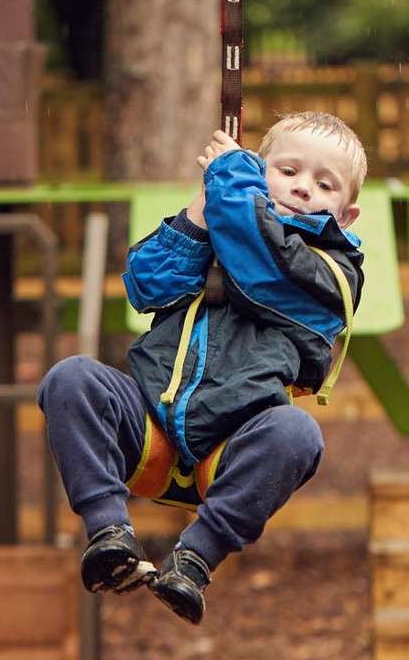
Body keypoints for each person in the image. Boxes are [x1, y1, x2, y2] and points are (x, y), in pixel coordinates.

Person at [38, 112, 366, 624]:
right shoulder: (224, 219)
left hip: (230, 448)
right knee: (71, 378)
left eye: (324, 184)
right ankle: (108, 532)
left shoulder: (335, 273)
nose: (303, 189)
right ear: (262, 172)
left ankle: (194, 560)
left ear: (345, 216)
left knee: (297, 433)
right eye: (289, 171)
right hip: (150, 428)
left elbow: (262, 269)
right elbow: (146, 285)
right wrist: (198, 216)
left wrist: (231, 184)